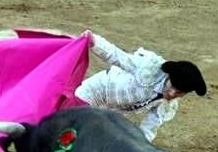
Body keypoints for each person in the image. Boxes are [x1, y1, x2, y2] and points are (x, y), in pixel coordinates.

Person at [74, 31, 206, 142]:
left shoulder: (167, 106)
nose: (172, 94)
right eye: (172, 87)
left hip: (112, 113)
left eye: (179, 93)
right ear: (168, 77)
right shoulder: (148, 68)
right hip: (94, 92)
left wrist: (140, 146)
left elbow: (148, 129)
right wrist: (95, 42)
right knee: (70, 127)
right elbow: (117, 57)